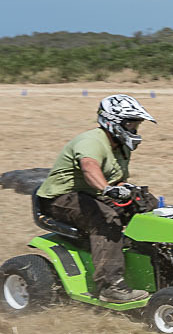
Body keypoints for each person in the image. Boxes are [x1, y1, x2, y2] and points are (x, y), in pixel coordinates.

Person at [35, 94, 158, 303]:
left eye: (136, 125)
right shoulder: (92, 140)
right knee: (106, 218)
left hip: (92, 194)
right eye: (130, 124)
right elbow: (89, 166)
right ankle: (110, 286)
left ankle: (156, 266)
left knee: (148, 206)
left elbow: (117, 179)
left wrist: (128, 191)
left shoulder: (121, 147)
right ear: (113, 122)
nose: (134, 130)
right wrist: (107, 189)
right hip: (59, 199)